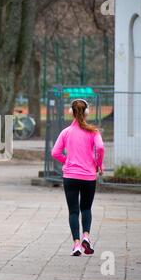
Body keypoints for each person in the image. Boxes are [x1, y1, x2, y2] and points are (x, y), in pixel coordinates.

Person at [51, 99, 105, 256]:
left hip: (70, 177)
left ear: (71, 113)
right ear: (87, 112)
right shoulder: (93, 132)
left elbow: (55, 153)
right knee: (86, 208)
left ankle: (76, 245)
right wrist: (98, 164)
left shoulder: (66, 132)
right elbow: (100, 147)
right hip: (88, 176)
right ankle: (86, 237)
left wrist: (67, 161)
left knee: (73, 211)